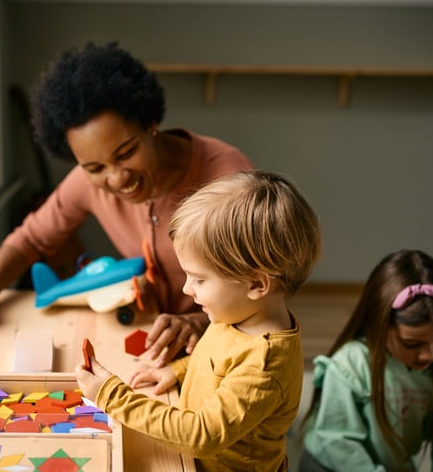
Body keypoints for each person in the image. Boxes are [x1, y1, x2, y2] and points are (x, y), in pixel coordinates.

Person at [0, 41, 254, 365]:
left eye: (126, 153)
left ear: (150, 123)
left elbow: (261, 291)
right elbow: (31, 239)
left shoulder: (227, 177)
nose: (117, 179)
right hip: (153, 344)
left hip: (223, 349)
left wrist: (199, 322)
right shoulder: (85, 182)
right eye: (95, 168)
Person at [75, 171, 322, 471]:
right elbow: (216, 361)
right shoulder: (237, 314)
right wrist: (178, 371)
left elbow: (201, 435)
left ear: (256, 285)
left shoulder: (264, 366)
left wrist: (111, 396)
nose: (186, 289)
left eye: (200, 279)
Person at [298, 249, 433, 472]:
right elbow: (338, 442)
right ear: (380, 325)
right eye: (412, 344)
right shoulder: (349, 365)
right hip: (330, 464)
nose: (429, 355)